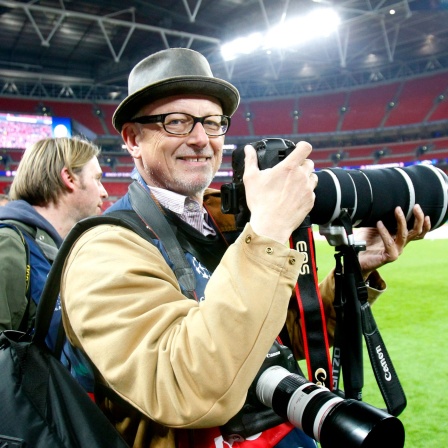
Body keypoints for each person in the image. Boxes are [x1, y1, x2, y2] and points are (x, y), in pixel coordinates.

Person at [60, 48, 431, 448]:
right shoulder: (103, 248)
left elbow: (273, 335)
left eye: (212, 122)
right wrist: (269, 230)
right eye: (177, 122)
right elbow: (183, 387)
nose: (201, 139)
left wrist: (354, 269)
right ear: (133, 139)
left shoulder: (221, 221)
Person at [0, 137, 108, 350]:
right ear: (69, 178)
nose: (103, 191)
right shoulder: (9, 244)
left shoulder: (57, 247)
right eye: (97, 179)